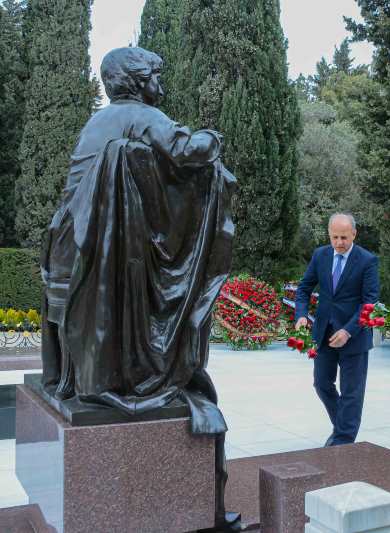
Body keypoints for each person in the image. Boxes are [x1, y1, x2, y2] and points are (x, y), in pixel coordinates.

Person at [39, 46, 239, 529]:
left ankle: (87, 375)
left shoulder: (99, 121)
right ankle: (132, 374)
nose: (161, 87)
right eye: (156, 76)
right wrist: (214, 137)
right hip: (101, 265)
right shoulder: (142, 115)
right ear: (137, 81)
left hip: (68, 256)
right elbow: (190, 152)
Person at [295, 213, 379, 446]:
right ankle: (342, 427)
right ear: (329, 235)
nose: (339, 242)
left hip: (354, 336)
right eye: (335, 237)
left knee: (352, 393)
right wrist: (301, 315)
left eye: (344, 237)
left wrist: (349, 331)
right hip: (323, 335)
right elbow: (303, 289)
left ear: (354, 234)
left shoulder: (367, 260)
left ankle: (342, 442)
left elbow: (370, 303)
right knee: (321, 384)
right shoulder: (320, 255)